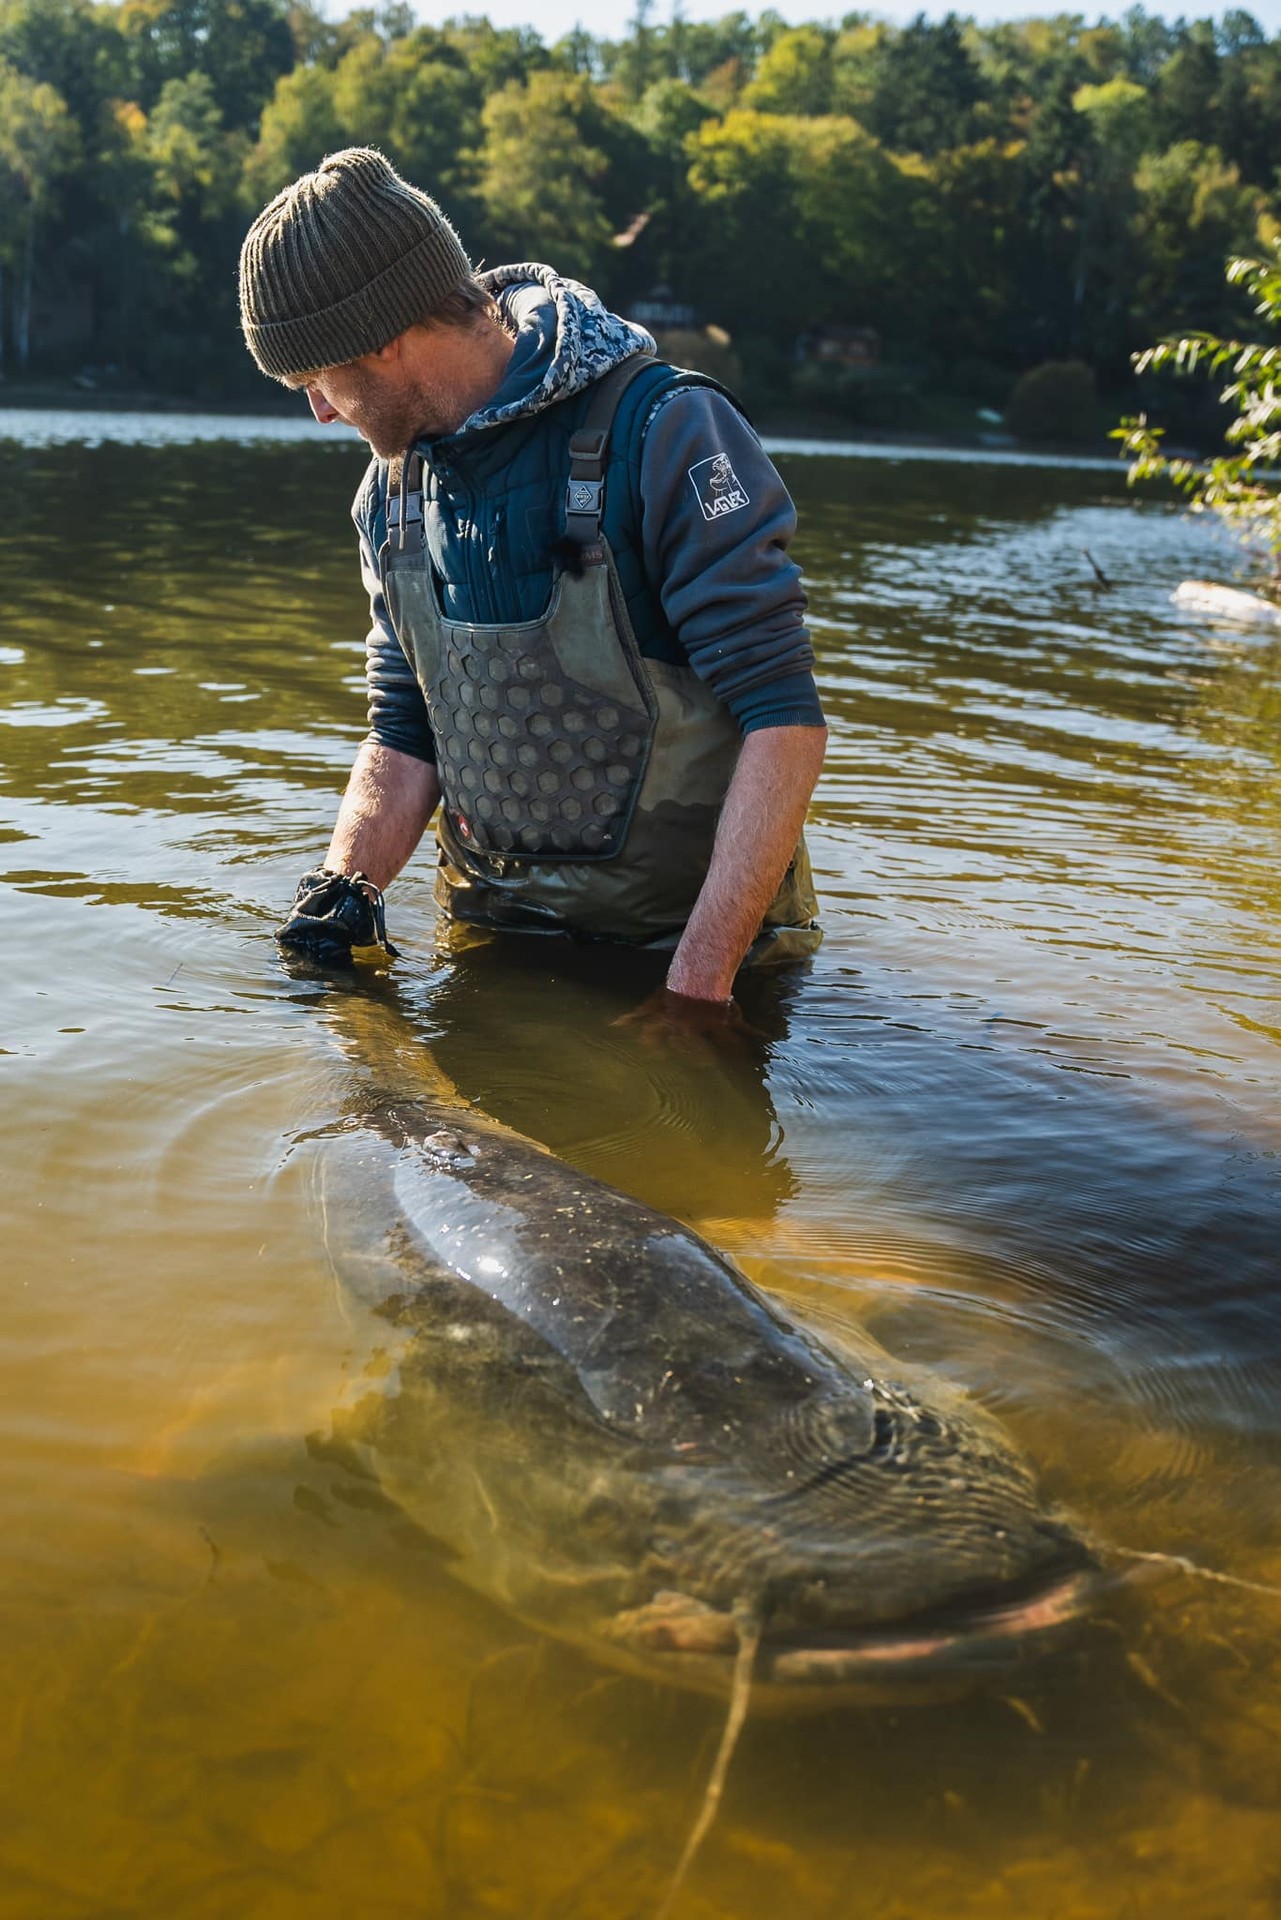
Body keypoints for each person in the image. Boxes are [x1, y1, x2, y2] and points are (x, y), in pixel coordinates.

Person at [238, 147, 826, 1014]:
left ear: (385, 336)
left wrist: (698, 990)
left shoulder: (665, 431)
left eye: (314, 379)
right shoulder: (390, 494)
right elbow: (405, 727)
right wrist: (343, 888)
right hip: (492, 945)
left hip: (700, 957)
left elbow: (783, 723)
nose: (317, 410)